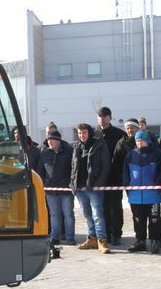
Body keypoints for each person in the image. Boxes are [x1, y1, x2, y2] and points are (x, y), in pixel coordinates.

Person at [70, 122, 110, 254]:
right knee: (87, 215)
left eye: (84, 132)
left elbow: (105, 167)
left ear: (89, 132)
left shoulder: (99, 145)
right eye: (80, 133)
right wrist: (72, 183)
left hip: (94, 188)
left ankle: (102, 240)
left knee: (97, 214)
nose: (82, 135)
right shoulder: (76, 147)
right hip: (80, 189)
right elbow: (73, 167)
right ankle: (92, 238)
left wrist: (98, 184)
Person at [123, 131, 161, 254]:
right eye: (137, 140)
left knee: (154, 219)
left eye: (141, 140)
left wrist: (158, 183)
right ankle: (140, 241)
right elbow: (125, 171)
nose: (139, 142)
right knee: (138, 219)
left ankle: (155, 240)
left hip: (152, 195)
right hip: (135, 195)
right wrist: (127, 184)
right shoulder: (131, 155)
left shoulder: (157, 154)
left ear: (148, 140)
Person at [36, 130, 75, 245]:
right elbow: (40, 170)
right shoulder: (44, 153)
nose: (49, 142)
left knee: (68, 214)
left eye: (51, 140)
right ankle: (55, 236)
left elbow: (74, 168)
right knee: (54, 214)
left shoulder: (69, 151)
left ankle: (70, 237)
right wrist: (43, 183)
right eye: (48, 140)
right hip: (50, 189)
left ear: (57, 141)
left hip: (66, 189)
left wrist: (71, 183)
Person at [96, 107, 126, 245]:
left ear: (110, 117)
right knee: (102, 207)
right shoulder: (93, 134)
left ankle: (116, 234)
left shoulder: (119, 134)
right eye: (100, 116)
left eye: (105, 116)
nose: (102, 118)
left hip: (114, 177)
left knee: (115, 207)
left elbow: (124, 156)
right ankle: (105, 233)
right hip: (98, 178)